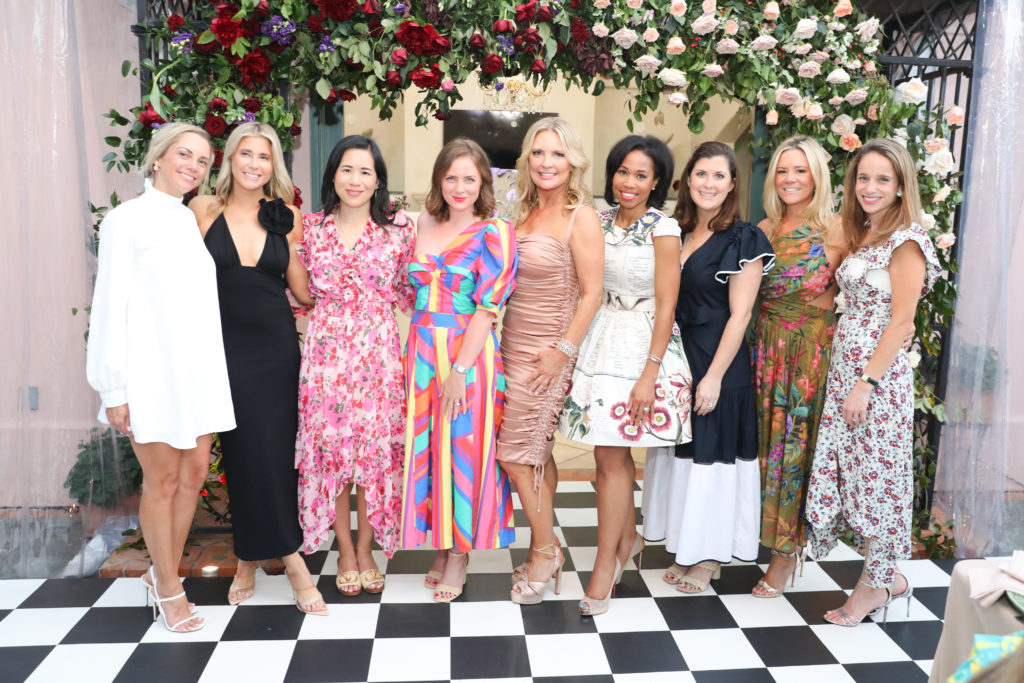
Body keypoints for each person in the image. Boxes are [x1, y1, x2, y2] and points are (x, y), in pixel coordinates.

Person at [86, 122, 235, 633]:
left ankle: (160, 572)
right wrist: (114, 388)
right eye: (185, 154)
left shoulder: (187, 220)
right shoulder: (125, 220)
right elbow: (109, 306)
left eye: (203, 160)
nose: (194, 166)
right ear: (158, 158)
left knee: (193, 475)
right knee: (163, 479)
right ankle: (169, 587)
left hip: (196, 373)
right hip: (150, 374)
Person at [189, 123, 326, 615]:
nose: (254, 164)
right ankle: (288, 562)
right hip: (222, 349)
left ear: (274, 166)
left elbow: (303, 290)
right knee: (242, 453)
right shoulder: (202, 209)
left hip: (275, 349)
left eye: (264, 157)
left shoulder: (287, 215)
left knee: (275, 453)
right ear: (229, 159)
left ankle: (252, 558)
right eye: (245, 153)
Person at [805, 138, 940, 626]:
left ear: (901, 186)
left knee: (879, 480)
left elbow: (901, 322)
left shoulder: (908, 241)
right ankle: (889, 579)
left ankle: (874, 586)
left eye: (883, 179)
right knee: (856, 473)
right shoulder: (864, 233)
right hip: (846, 370)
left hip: (876, 379)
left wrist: (865, 383)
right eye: (863, 177)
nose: (870, 187)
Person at [560, 135, 691, 615]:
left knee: (612, 457)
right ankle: (626, 540)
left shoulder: (665, 227)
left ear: (657, 182)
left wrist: (649, 374)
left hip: (642, 345)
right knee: (605, 454)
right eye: (622, 171)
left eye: (641, 174)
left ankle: (605, 564)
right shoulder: (596, 221)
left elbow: (668, 305)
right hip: (600, 338)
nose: (629, 182)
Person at [642, 141, 775, 594]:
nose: (709, 183)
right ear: (687, 180)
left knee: (712, 462)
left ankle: (711, 557)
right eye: (701, 174)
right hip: (678, 361)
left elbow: (741, 314)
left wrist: (714, 376)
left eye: (719, 176)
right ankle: (687, 545)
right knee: (683, 457)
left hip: (720, 362)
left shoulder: (744, 238)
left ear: (733, 184)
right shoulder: (674, 231)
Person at [399, 138, 518, 602]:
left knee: (466, 452)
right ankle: (441, 541)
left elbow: (488, 310)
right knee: (430, 449)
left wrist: (459, 370)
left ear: (484, 182)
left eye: (470, 178)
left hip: (467, 355)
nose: (460, 187)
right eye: (451, 178)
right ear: (439, 180)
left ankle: (459, 554)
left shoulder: (495, 231)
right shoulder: (421, 222)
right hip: (421, 352)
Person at [295, 135, 415, 596]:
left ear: (378, 181)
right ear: (333, 175)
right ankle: (344, 550)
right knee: (333, 456)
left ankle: (366, 548)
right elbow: (298, 295)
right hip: (326, 358)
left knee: (373, 456)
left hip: (378, 359)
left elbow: (411, 292)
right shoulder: (310, 229)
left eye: (366, 171)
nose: (355, 180)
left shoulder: (399, 231)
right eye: (347, 169)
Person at [495, 117, 604, 608]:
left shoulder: (582, 217)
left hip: (547, 355)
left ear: (573, 162)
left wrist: (563, 351)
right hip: (510, 346)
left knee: (515, 456)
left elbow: (593, 293)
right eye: (538, 152)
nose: (546, 162)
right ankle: (542, 542)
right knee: (535, 453)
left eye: (557, 153)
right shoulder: (522, 213)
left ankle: (545, 553)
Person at [750, 135, 846, 598]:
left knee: (794, 452)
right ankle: (757, 536)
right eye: (783, 171)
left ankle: (786, 554)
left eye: (800, 170)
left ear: (817, 177)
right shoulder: (764, 228)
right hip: (764, 351)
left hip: (809, 356)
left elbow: (870, 288)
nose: (790, 179)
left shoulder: (838, 230)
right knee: (763, 450)